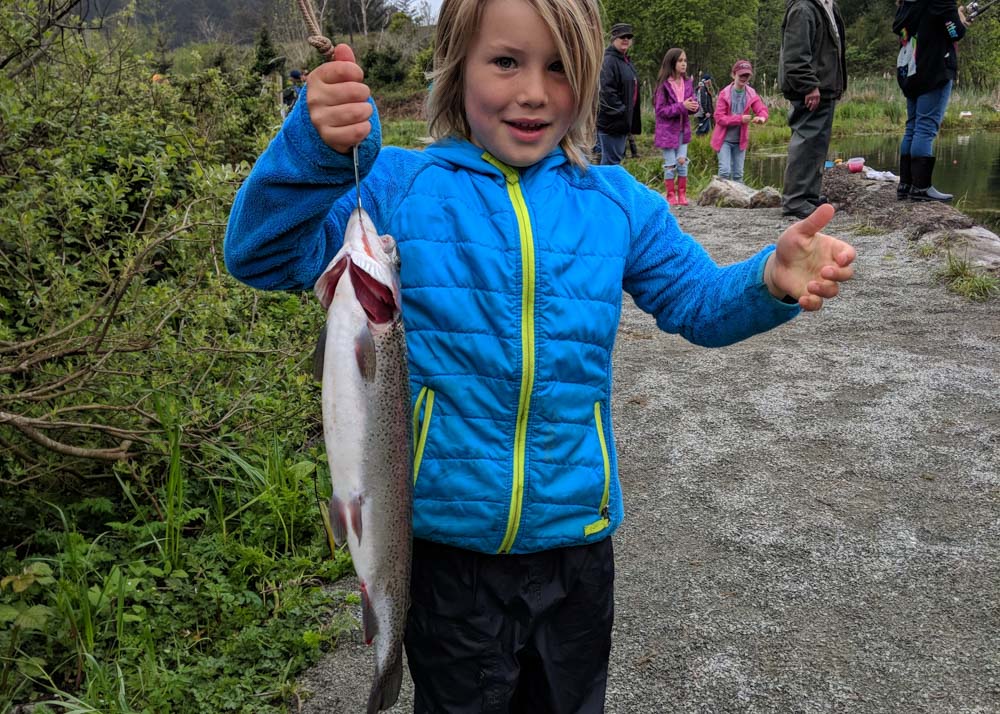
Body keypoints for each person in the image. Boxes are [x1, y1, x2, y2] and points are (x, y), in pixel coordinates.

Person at [223, 0, 856, 709]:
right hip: (445, 556)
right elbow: (260, 253)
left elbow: (698, 302)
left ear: (587, 77)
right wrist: (311, 151)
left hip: (576, 552)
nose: (533, 90)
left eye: (558, 67)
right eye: (505, 62)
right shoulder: (396, 188)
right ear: (454, 70)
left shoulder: (616, 201)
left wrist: (767, 279)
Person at [893, 0, 968, 201]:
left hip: (910, 71)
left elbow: (904, 33)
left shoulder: (906, 4)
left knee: (913, 126)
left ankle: (905, 185)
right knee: (925, 128)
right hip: (934, 71)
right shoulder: (942, 3)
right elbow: (955, 33)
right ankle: (921, 187)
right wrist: (958, 19)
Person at [779, 0, 847, 219]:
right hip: (811, 88)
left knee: (817, 143)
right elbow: (796, 55)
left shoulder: (827, 6)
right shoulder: (804, 8)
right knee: (806, 140)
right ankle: (796, 200)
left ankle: (808, 196)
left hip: (824, 86)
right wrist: (808, 85)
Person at [653, 48, 698, 206]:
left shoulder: (688, 83)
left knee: (682, 161)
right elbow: (660, 110)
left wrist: (693, 107)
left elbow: (691, 104)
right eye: (680, 61)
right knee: (670, 164)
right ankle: (671, 195)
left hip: (683, 130)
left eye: (685, 60)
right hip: (667, 132)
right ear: (672, 63)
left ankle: (682, 194)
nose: (684, 64)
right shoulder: (663, 86)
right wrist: (682, 106)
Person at [711, 60, 769, 183]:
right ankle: (720, 197)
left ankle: (738, 201)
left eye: (746, 75)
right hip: (724, 140)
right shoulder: (724, 94)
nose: (744, 78)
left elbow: (762, 109)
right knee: (725, 171)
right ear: (733, 75)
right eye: (741, 75)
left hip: (740, 140)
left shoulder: (751, 93)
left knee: (738, 174)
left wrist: (761, 118)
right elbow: (719, 118)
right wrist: (739, 119)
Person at [596, 22, 641, 165]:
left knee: (613, 162)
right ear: (613, 38)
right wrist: (621, 111)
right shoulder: (609, 61)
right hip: (612, 123)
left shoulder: (625, 61)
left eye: (628, 37)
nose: (626, 39)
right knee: (611, 163)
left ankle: (606, 187)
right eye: (622, 37)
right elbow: (606, 91)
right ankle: (605, 188)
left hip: (622, 123)